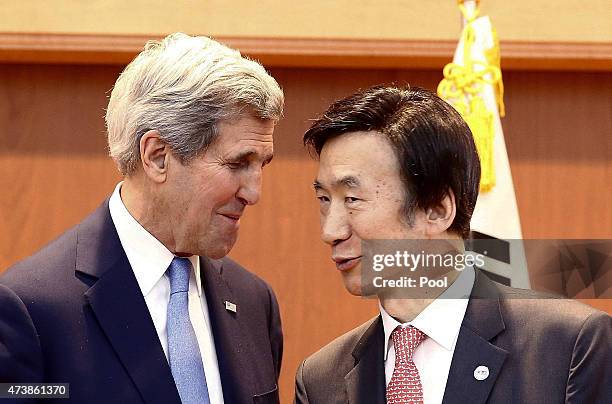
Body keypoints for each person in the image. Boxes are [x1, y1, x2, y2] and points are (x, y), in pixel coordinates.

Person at [0, 33, 284, 404]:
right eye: (237, 164)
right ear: (157, 156)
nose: (254, 192)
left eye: (261, 165)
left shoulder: (253, 301)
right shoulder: (31, 308)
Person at [294, 86, 611, 403]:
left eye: (352, 199)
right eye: (324, 199)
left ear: (437, 210)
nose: (330, 230)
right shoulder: (320, 380)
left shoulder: (569, 347)